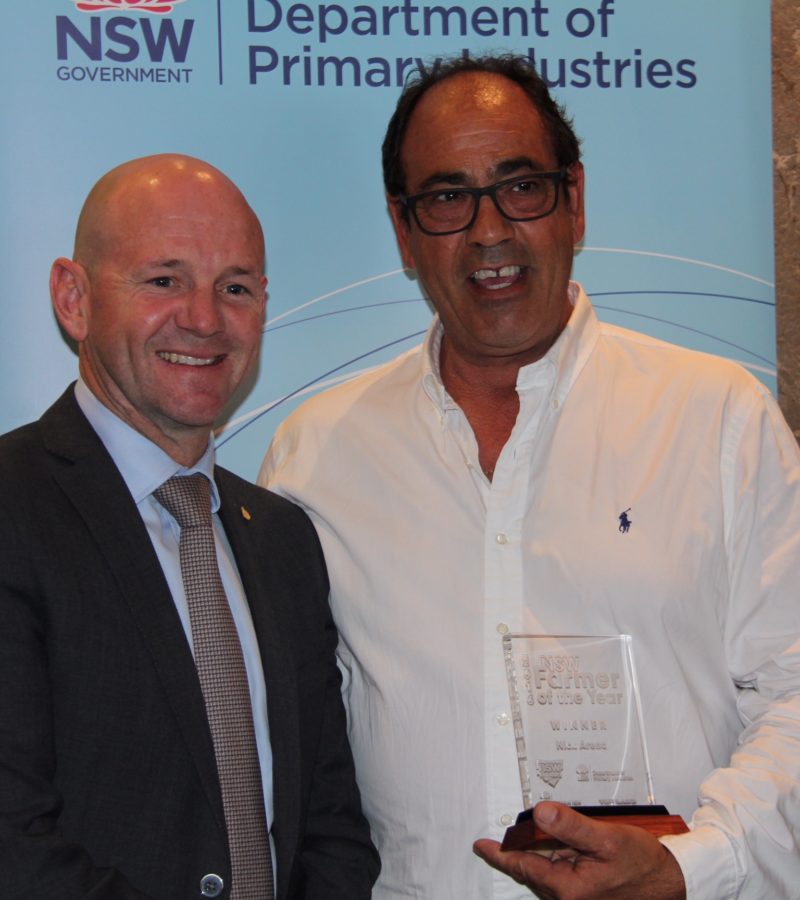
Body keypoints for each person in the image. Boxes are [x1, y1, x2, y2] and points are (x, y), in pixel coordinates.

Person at [259, 54, 800, 899]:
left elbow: (794, 688)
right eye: (447, 197)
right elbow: (291, 743)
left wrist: (691, 868)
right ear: (403, 231)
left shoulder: (718, 419)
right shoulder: (316, 455)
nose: (489, 231)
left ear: (574, 199)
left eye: (520, 187)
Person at [0, 154, 379, 899]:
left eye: (234, 287)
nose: (204, 320)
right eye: (163, 280)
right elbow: (12, 842)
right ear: (74, 299)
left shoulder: (282, 538)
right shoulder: (13, 509)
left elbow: (330, 822)